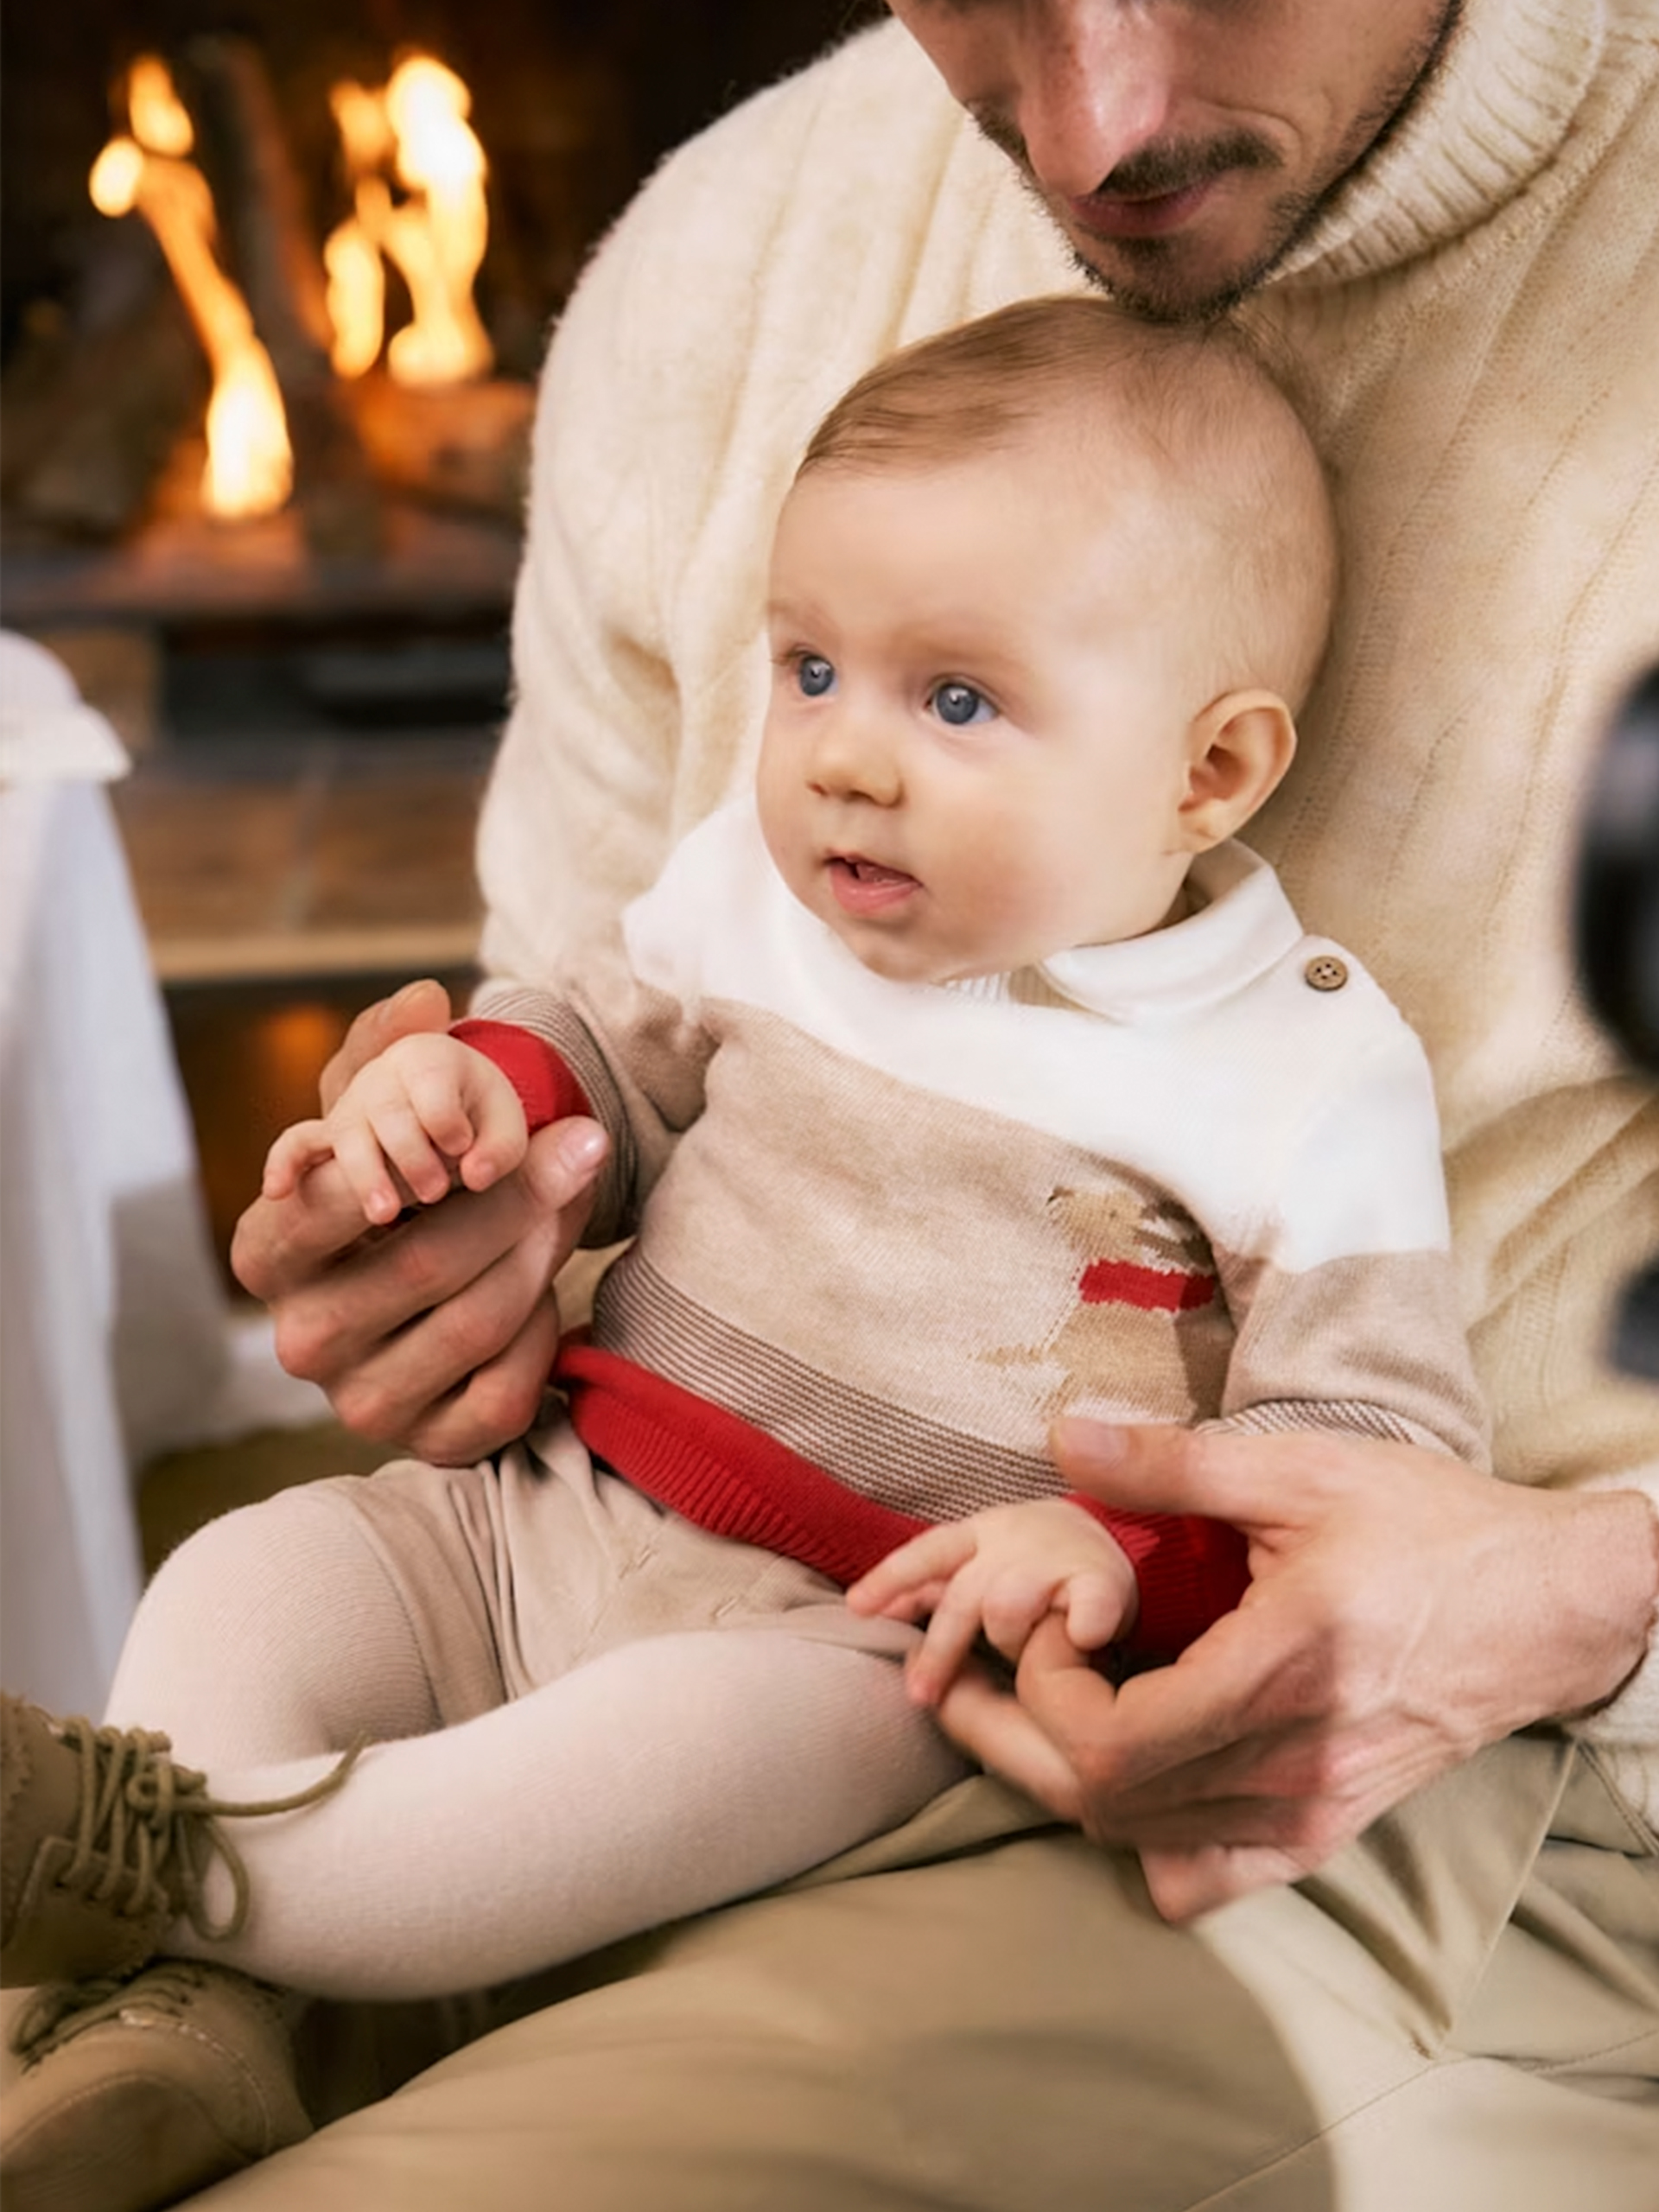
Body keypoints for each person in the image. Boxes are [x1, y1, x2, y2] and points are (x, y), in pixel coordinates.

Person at [43, 0, 1659, 2204]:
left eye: (958, 697)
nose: (839, 756)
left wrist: (1134, 1548)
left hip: (885, 1648)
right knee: (263, 1573)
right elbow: (598, 1014)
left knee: (641, 1776)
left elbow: (1349, 1461)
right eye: (806, 670)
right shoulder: (774, 810)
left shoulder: (1286, 1068)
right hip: (541, 1506)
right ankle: (184, 1997)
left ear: (1212, 769)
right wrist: (456, 1124)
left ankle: (172, 1882)